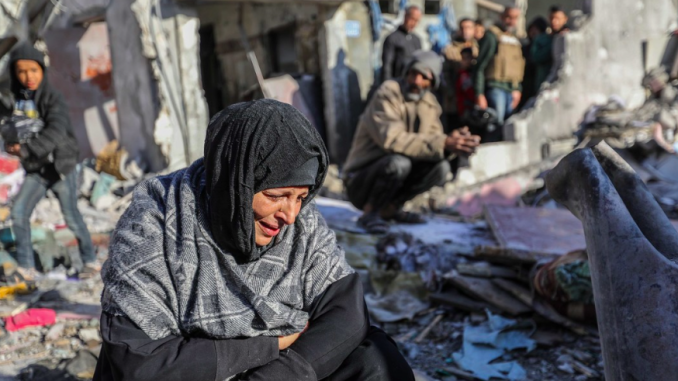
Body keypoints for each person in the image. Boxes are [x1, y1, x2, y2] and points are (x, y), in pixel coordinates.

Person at [94, 100, 414, 381]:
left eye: (301, 196)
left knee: (376, 360)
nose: (290, 214)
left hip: (272, 370)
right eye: (276, 195)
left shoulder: (302, 224)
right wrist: (266, 347)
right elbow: (139, 362)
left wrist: (281, 374)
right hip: (199, 373)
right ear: (235, 181)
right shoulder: (157, 220)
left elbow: (347, 312)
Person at [343, 51, 481, 234]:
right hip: (360, 181)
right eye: (413, 74)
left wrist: (453, 144)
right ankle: (370, 212)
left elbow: (432, 144)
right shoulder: (389, 93)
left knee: (441, 168)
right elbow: (392, 139)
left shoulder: (430, 104)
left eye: (424, 77)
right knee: (399, 163)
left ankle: (390, 209)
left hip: (394, 174)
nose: (416, 81)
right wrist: (443, 142)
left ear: (432, 83)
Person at [1, 43, 95, 280]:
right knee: (20, 212)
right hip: (36, 169)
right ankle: (26, 267)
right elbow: (8, 129)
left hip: (60, 167)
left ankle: (91, 261)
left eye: (33, 70)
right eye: (21, 71)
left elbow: (57, 131)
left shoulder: (53, 97)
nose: (27, 76)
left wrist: (26, 149)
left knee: (71, 216)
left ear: (42, 70)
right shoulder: (14, 100)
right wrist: (12, 146)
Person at [474, 6, 525, 126]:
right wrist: (479, 94)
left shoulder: (515, 39)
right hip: (496, 88)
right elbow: (480, 67)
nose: (511, 21)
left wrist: (518, 90)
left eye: (515, 18)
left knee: (509, 127)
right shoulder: (492, 36)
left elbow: (517, 67)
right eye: (508, 17)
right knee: (495, 125)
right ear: (501, 17)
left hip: (512, 90)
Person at [442, 18, 479, 131]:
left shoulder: (479, 48)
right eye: (462, 28)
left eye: (468, 27)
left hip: (474, 97)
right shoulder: (450, 49)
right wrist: (450, 92)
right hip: (455, 99)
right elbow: (445, 74)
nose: (465, 31)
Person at [381, 5, 422, 83]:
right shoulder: (392, 38)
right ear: (405, 16)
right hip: (397, 82)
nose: (414, 23)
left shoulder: (417, 40)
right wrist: (387, 84)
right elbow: (387, 66)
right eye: (412, 19)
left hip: (412, 84)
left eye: (417, 21)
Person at [519, 17, 550, 110]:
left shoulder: (546, 45)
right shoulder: (525, 47)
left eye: (537, 30)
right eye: (532, 29)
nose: (533, 32)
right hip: (525, 84)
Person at [545, 6, 569, 84]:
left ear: (565, 19)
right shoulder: (543, 38)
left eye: (558, 18)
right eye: (552, 18)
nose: (554, 21)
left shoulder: (567, 37)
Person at [456, 48, 476, 119]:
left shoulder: (470, 73)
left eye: (467, 58)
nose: (464, 61)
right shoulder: (463, 75)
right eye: (463, 59)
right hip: (465, 110)